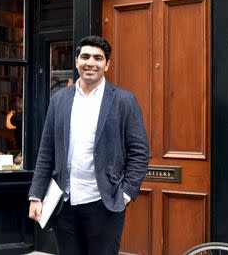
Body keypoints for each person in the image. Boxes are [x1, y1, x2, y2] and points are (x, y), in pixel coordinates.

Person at [28, 35, 149, 255]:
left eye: (98, 58)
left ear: (107, 64)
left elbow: (140, 152)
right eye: (85, 56)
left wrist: (126, 194)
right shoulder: (60, 99)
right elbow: (46, 151)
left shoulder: (124, 101)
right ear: (76, 62)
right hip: (64, 204)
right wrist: (36, 195)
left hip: (104, 203)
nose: (90, 62)